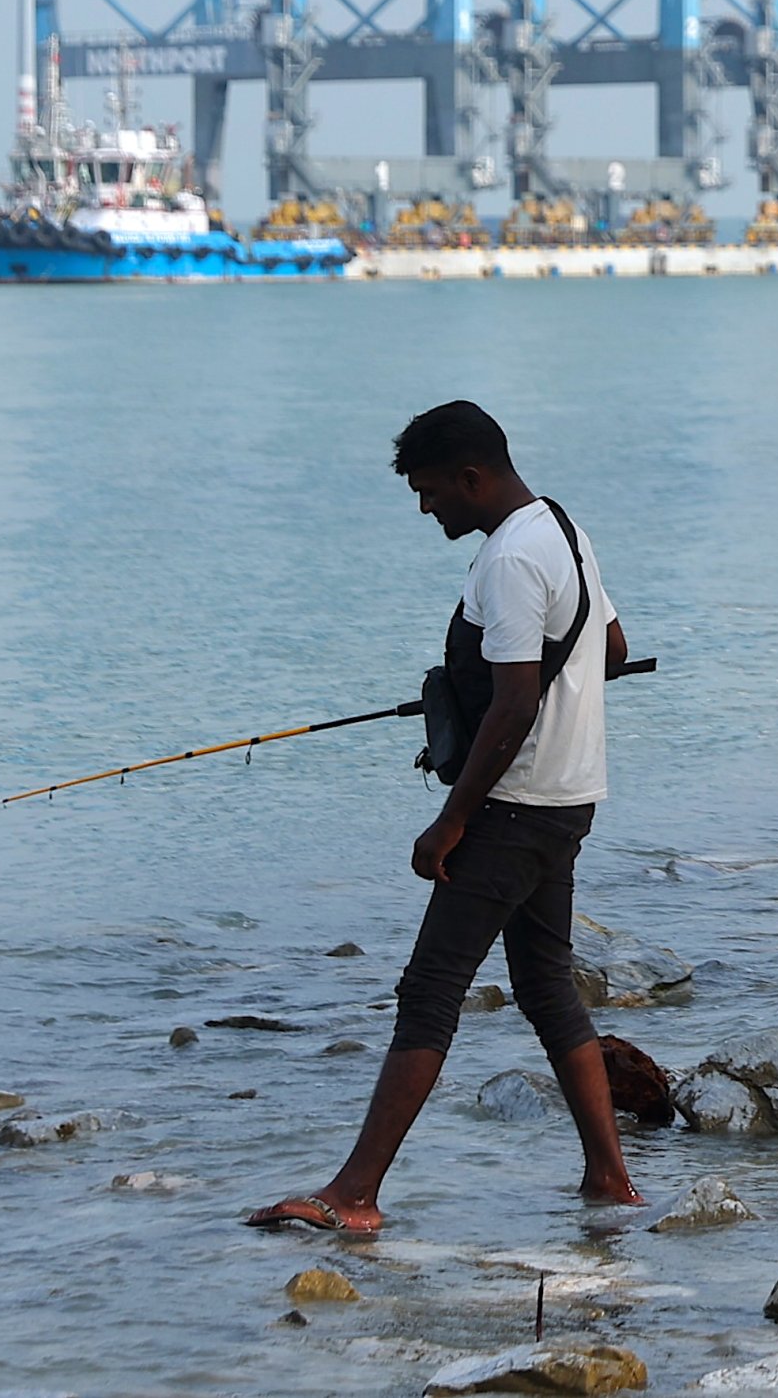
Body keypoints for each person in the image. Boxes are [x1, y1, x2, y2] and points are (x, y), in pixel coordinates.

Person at [250, 401, 642, 1230]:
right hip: (571, 797)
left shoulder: (508, 560)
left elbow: (511, 706)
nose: (426, 509)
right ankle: (609, 1181)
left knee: (429, 990)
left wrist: (450, 822)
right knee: (544, 986)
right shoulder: (562, 530)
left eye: (430, 492)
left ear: (472, 477)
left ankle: (353, 1195)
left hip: (511, 810)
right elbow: (605, 651)